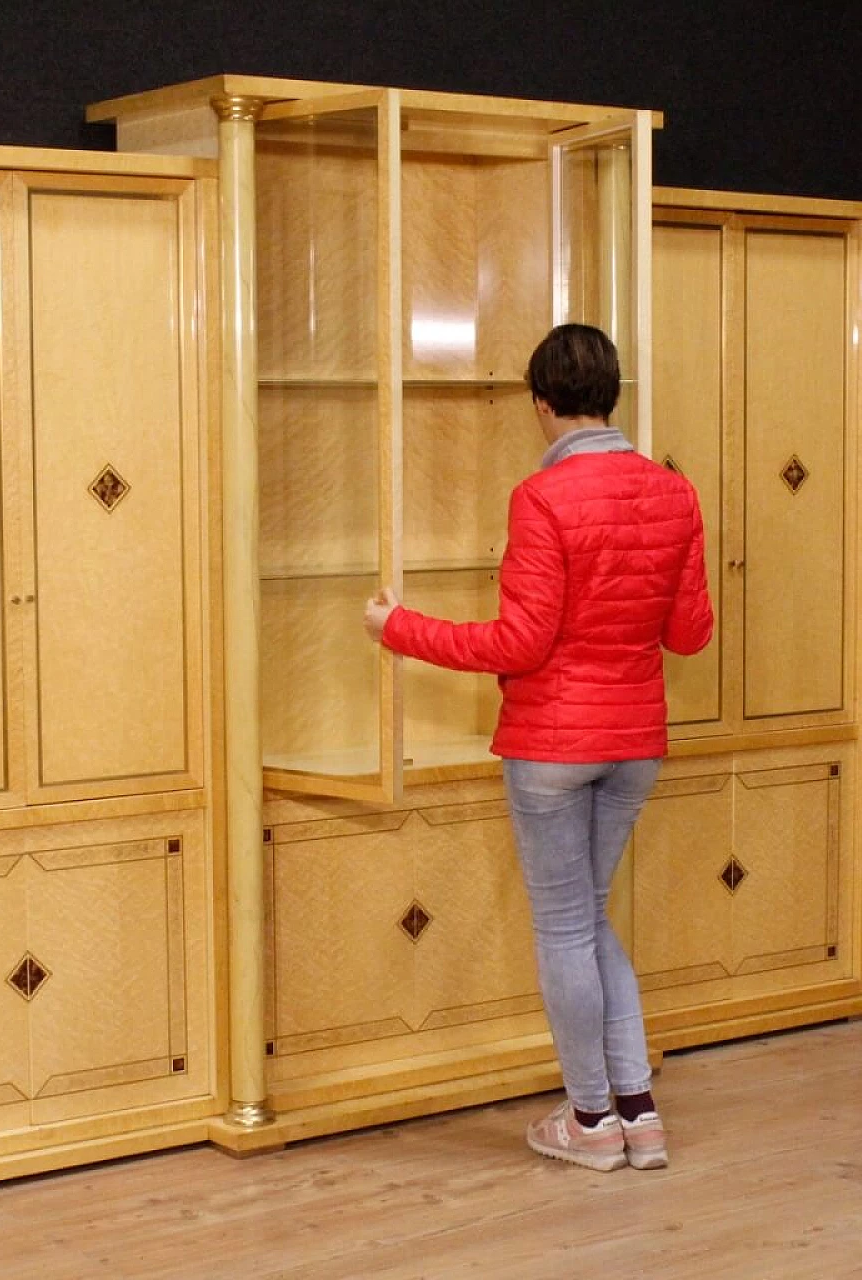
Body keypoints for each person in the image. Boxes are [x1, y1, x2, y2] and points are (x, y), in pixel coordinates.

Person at [363, 323, 714, 1172]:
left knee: (565, 929)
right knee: (591, 921)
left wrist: (396, 628)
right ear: (614, 396)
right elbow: (691, 634)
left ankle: (592, 1122)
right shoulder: (674, 491)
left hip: (554, 747)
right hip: (636, 742)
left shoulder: (542, 498)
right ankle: (639, 1115)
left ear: (541, 404)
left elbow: (519, 644)